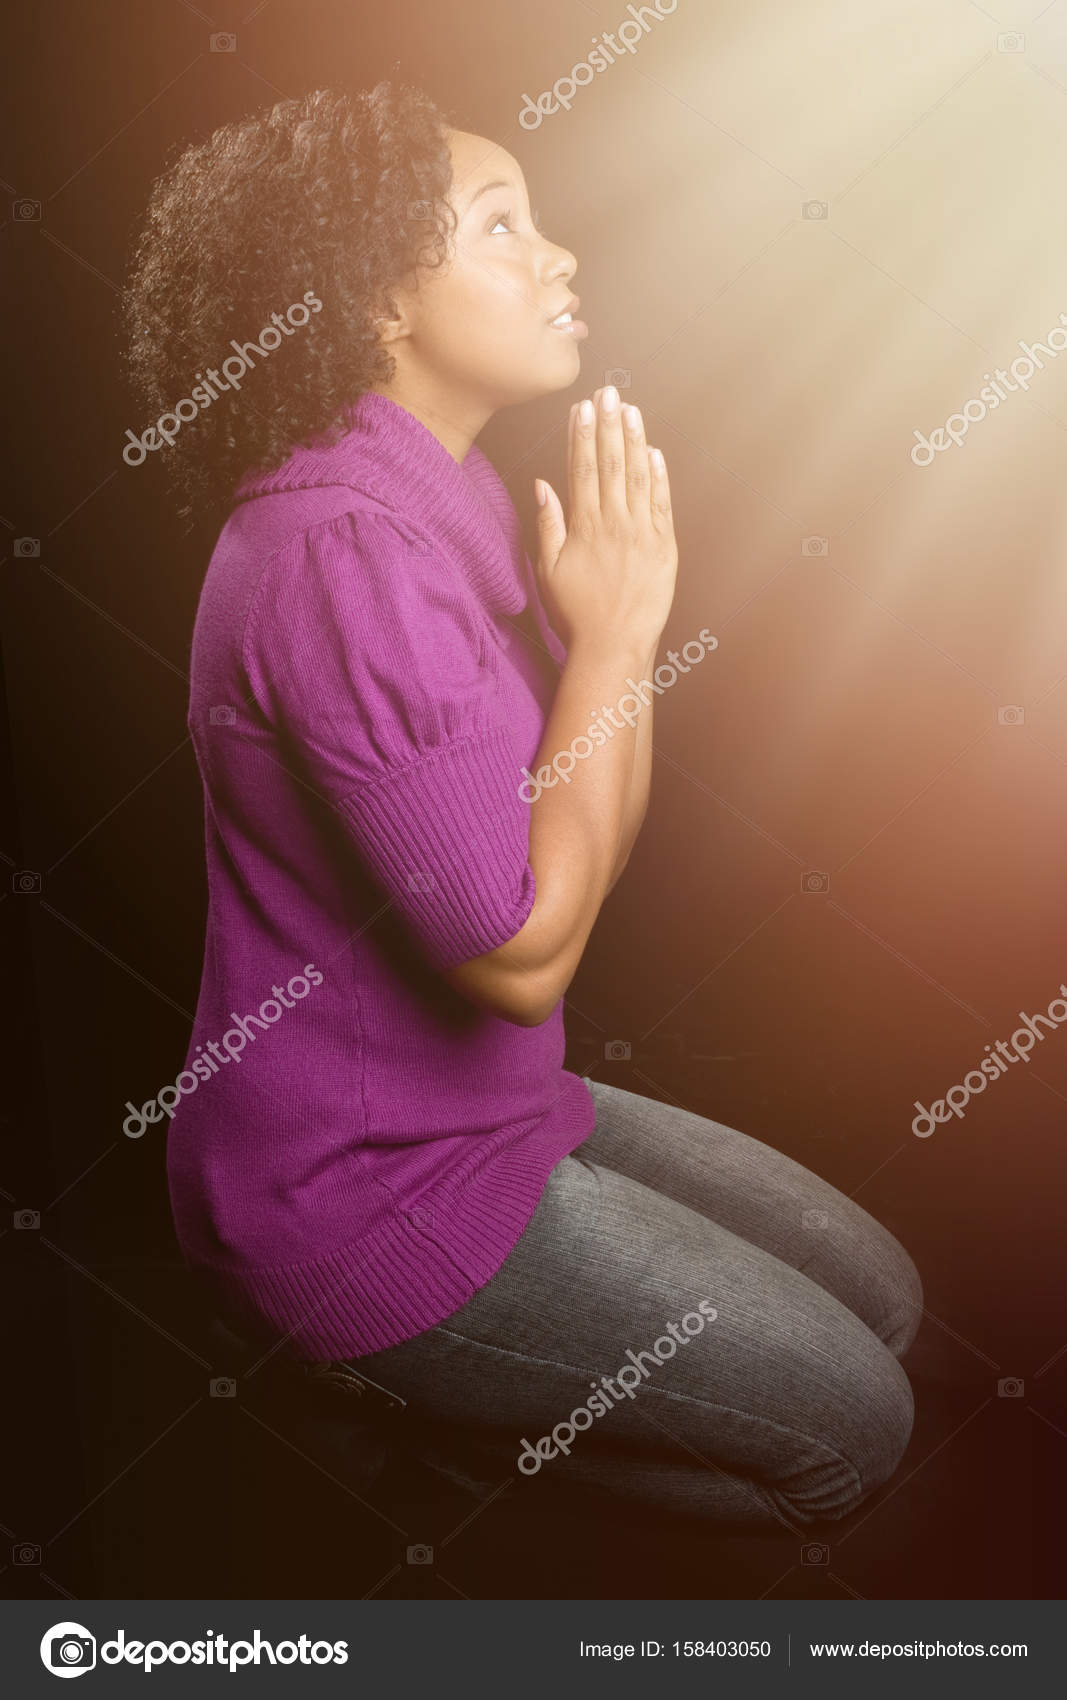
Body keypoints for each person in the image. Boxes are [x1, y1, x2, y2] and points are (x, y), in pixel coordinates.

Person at [124, 81, 922, 1529]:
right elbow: (526, 954)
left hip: (498, 1105)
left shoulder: (451, 492)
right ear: (378, 302)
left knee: (891, 1297)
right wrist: (618, 642)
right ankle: (397, 1431)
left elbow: (599, 824)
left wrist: (625, 630)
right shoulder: (338, 555)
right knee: (855, 1435)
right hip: (359, 1193)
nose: (560, 259)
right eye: (504, 229)